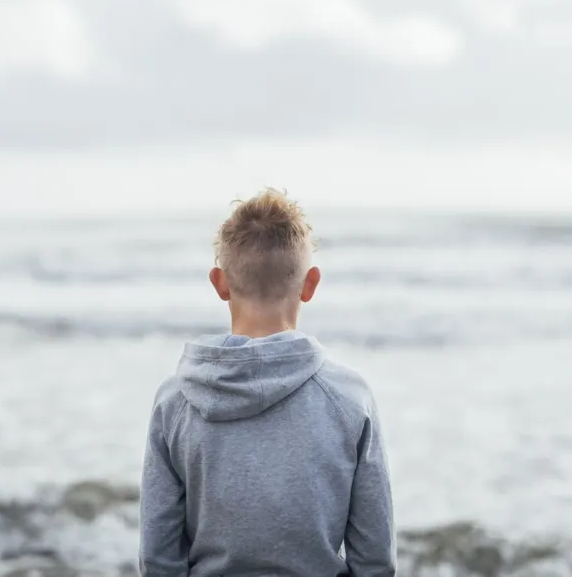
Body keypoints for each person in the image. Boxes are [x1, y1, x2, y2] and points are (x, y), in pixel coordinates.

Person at [139, 188, 396, 576]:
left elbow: (158, 558)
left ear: (220, 283)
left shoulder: (174, 401)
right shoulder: (350, 398)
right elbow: (375, 557)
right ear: (310, 284)